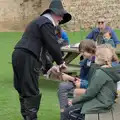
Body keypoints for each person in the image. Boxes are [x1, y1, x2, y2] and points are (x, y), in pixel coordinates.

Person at [12, 0, 72, 120]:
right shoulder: (46, 22)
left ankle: (27, 118)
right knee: (31, 91)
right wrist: (61, 63)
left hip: (19, 54)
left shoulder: (39, 22)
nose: (61, 19)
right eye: (60, 15)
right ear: (54, 13)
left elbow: (43, 50)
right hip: (28, 56)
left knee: (23, 89)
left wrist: (50, 67)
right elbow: (52, 44)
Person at [62, 44, 120, 120]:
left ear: (99, 57)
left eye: (95, 55)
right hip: (105, 102)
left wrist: (74, 101)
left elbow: (90, 94)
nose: (94, 57)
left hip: (100, 104)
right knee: (70, 108)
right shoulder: (111, 70)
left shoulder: (101, 73)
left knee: (68, 112)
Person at [47, 40, 96, 120]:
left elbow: (93, 83)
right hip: (83, 83)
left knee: (70, 92)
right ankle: (63, 114)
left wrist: (71, 78)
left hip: (90, 88)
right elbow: (82, 78)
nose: (82, 54)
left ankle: (66, 114)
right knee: (63, 86)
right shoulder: (85, 62)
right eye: (81, 52)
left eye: (83, 52)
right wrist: (71, 78)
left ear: (91, 50)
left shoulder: (97, 62)